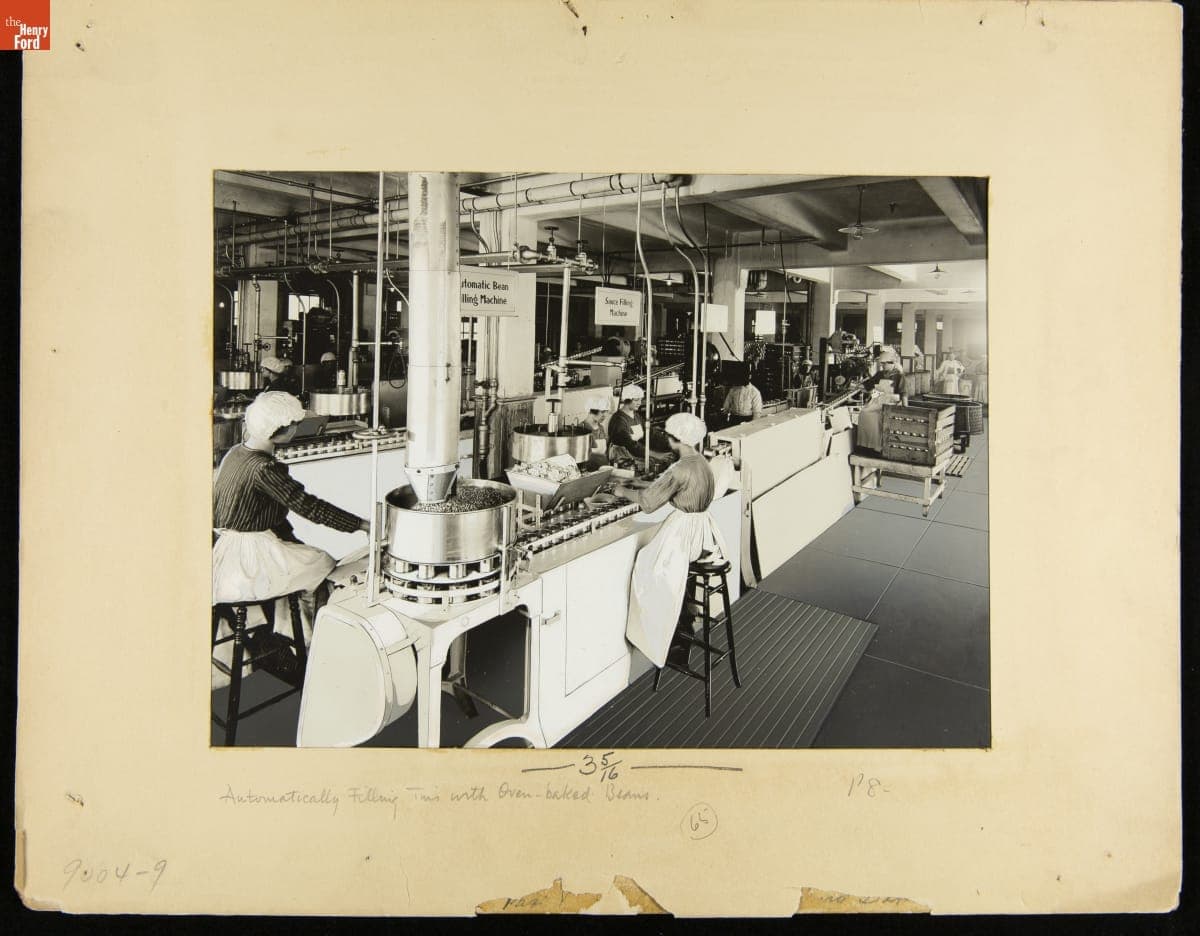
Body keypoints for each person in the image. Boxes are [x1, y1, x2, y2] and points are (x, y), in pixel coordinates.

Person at [213, 392, 369, 640]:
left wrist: (292, 541)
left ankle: (286, 633)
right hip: (248, 560)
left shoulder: (236, 452)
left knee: (303, 558)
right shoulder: (265, 468)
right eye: (294, 424)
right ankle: (310, 641)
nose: (297, 427)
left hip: (225, 552)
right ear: (281, 430)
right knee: (322, 564)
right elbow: (311, 507)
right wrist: (363, 525)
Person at [613, 413, 728, 668]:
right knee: (671, 573)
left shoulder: (679, 469)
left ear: (675, 439)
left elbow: (648, 503)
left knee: (647, 567)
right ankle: (684, 621)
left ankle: (659, 638)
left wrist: (621, 490)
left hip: (683, 533)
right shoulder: (702, 462)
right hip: (702, 532)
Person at [607, 384, 671, 464]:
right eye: (636, 400)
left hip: (638, 454)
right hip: (625, 459)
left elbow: (651, 433)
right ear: (627, 400)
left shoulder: (636, 416)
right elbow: (631, 445)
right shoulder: (618, 420)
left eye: (640, 400)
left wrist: (670, 443)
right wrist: (657, 455)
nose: (640, 403)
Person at [580, 394, 613, 459]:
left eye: (606, 412)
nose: (605, 415)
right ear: (592, 411)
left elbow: (605, 452)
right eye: (602, 412)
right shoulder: (581, 429)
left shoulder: (601, 428)